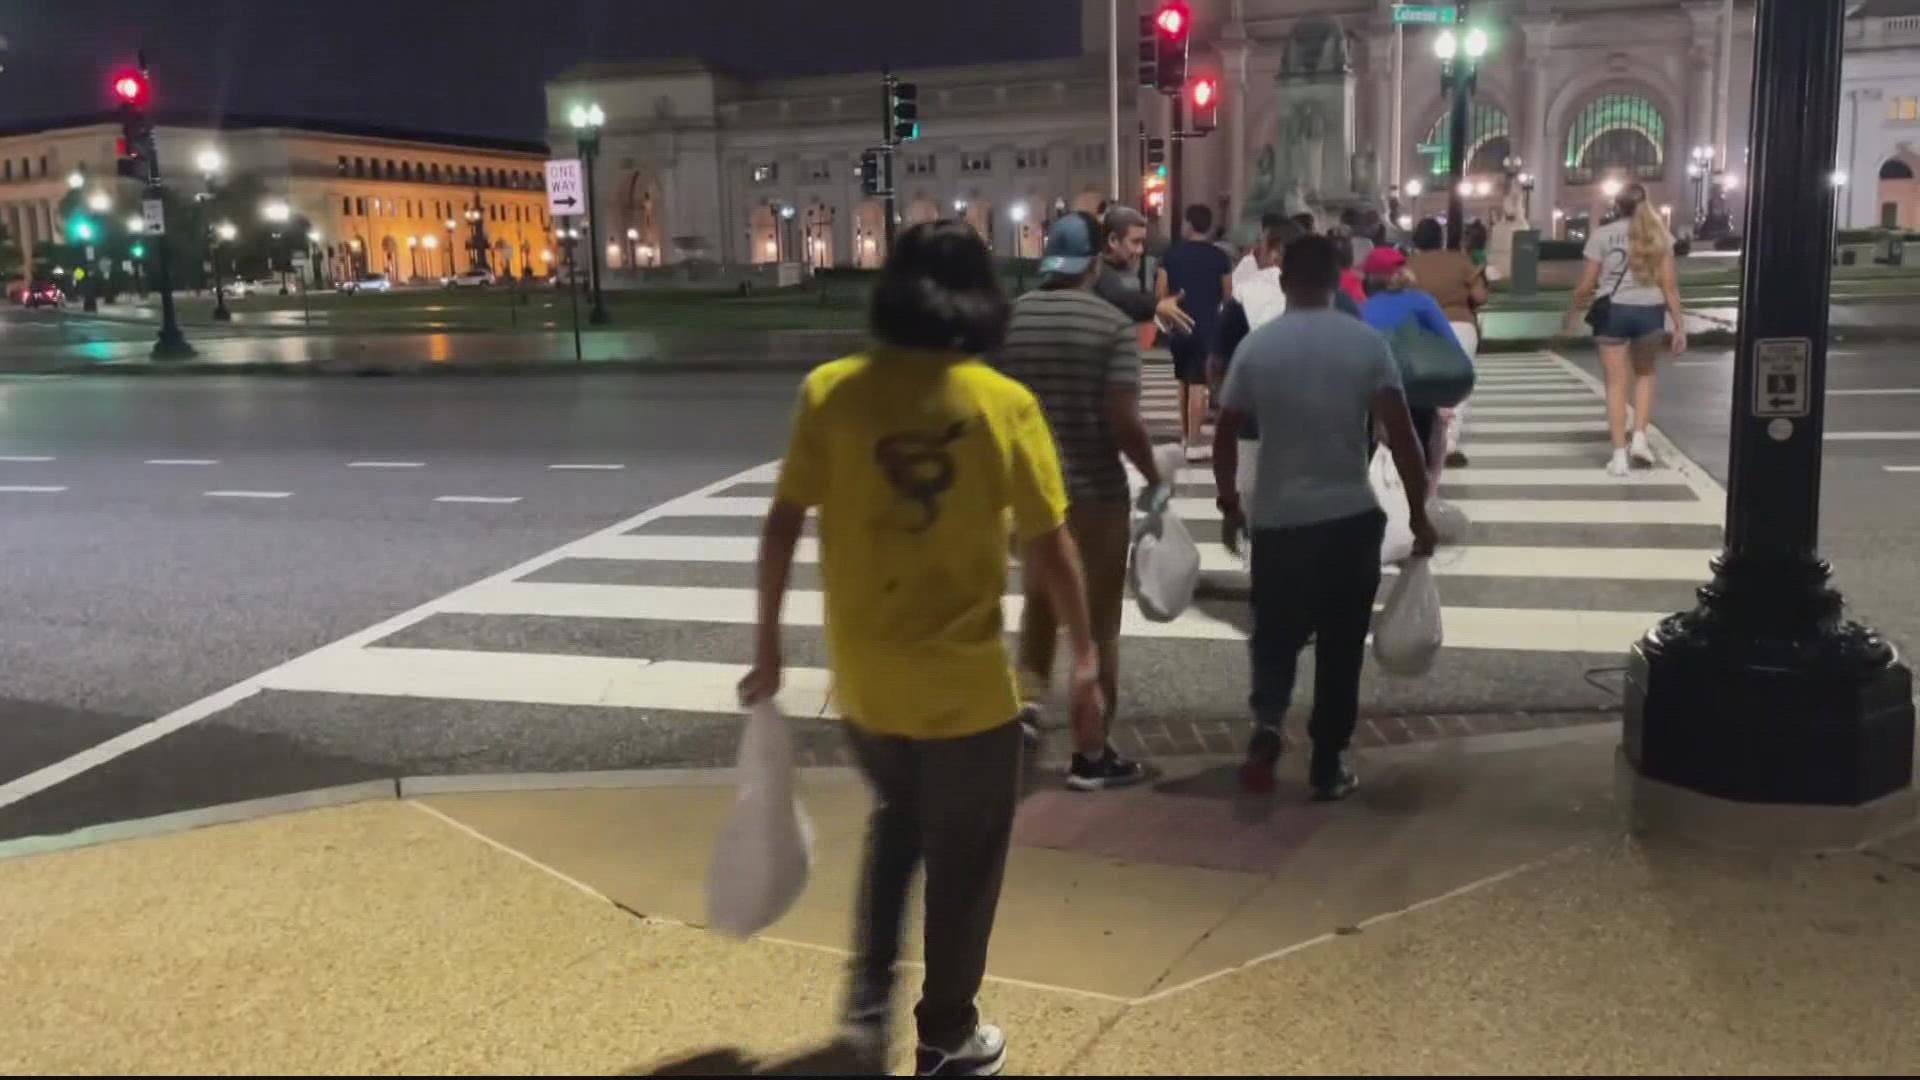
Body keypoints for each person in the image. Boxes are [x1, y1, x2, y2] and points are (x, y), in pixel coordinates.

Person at [741, 220, 1105, 1077]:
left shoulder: (832, 391)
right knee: (967, 862)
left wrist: (768, 646)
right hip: (968, 693)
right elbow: (1051, 544)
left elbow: (784, 523)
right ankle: (946, 1031)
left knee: (896, 825)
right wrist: (1085, 655)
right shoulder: (1000, 403)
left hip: (867, 685)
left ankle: (865, 1015)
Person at [1212, 234, 1438, 799]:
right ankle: (1328, 759)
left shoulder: (1258, 349)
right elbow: (1404, 438)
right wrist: (1419, 514)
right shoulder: (1366, 344)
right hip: (1349, 516)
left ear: (1284, 281)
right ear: (1338, 281)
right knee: (1341, 646)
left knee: (1275, 635)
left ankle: (1267, 726)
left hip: (1279, 519)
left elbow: (1224, 432)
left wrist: (1229, 502)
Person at [996, 211, 1164, 791]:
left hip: (1028, 496)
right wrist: (1152, 474)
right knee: (1096, 626)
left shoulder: (1010, 320)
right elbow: (1123, 419)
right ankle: (1091, 751)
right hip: (1093, 493)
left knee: (1039, 609)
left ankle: (1025, 714)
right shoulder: (1111, 324)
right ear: (1096, 261)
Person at [1569, 181, 1687, 477]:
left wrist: (1577, 300)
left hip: (1613, 312)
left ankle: (1619, 457)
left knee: (1615, 385)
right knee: (1645, 376)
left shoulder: (1602, 235)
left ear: (1617, 206)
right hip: (1650, 311)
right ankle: (1640, 441)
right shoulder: (1659, 235)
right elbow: (1670, 286)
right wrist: (1679, 326)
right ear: (1645, 203)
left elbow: (1585, 285)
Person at [1358, 246, 1462, 474]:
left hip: (1375, 395)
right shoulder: (1423, 301)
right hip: (1417, 388)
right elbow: (1449, 345)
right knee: (1420, 451)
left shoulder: (1362, 309)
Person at [1406, 217, 1489, 469]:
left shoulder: (1409, 266)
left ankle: (1426, 439)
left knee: (1425, 385)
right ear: (1440, 238)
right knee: (1457, 387)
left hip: (1424, 329)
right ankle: (1450, 443)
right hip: (1460, 325)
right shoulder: (1460, 261)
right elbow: (1480, 296)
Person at [1157, 204, 1235, 457]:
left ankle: (1184, 434)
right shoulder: (1219, 257)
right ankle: (1193, 440)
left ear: (1189, 225)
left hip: (1178, 322)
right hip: (1208, 324)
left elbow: (1160, 292)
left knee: (1182, 380)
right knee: (1199, 384)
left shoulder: (1171, 255)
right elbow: (1228, 294)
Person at [1092, 204, 1193, 335]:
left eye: (1142, 242)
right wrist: (1156, 305)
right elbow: (1119, 295)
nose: (1140, 250)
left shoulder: (1117, 269)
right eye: (1135, 242)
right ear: (1113, 240)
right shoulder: (1096, 269)